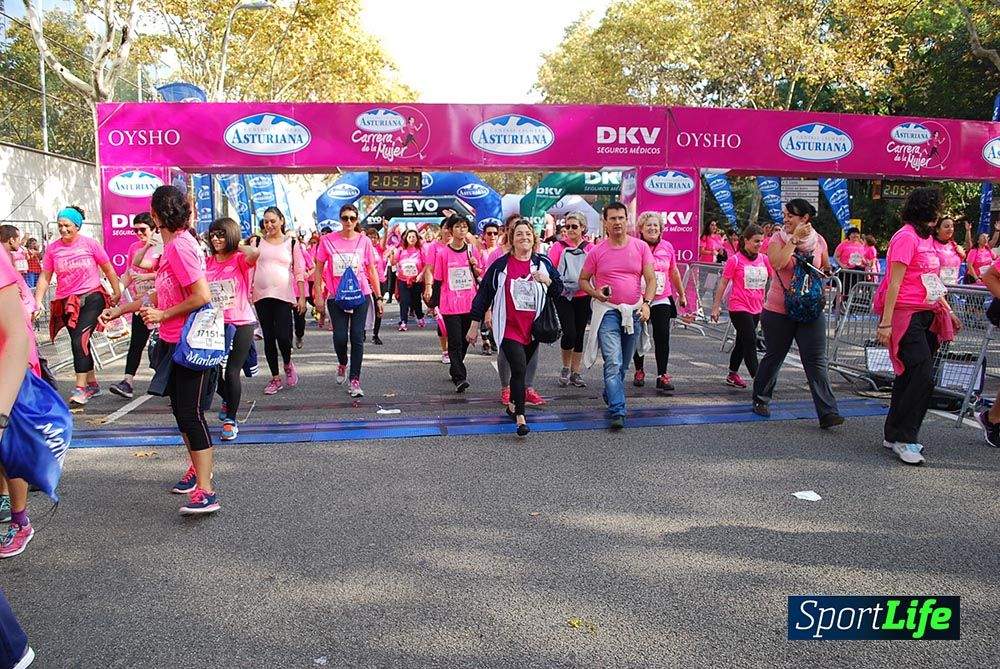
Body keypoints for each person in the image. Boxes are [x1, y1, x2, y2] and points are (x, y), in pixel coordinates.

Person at [101, 186, 219, 514]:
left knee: (191, 415)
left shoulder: (180, 246)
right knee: (182, 414)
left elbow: (201, 295)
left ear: (156, 215)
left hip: (188, 343)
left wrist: (163, 315)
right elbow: (160, 292)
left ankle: (207, 491)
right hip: (171, 341)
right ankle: (198, 470)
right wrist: (121, 310)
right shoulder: (169, 247)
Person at [876, 187, 960, 465]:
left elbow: (932, 280)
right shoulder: (905, 237)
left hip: (927, 313)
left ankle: (893, 433)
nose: (940, 214)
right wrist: (886, 323)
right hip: (906, 315)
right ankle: (905, 438)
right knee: (922, 374)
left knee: (910, 376)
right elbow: (894, 283)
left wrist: (948, 310)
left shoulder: (927, 239)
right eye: (937, 208)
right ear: (926, 209)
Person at [751, 199, 843, 428]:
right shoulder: (777, 238)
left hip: (810, 308)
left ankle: (828, 412)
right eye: (784, 215)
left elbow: (824, 269)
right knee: (775, 355)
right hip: (779, 310)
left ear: (804, 218)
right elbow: (778, 263)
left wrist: (827, 273)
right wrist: (793, 240)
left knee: (816, 361)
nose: (785, 219)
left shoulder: (819, 241)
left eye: (790, 215)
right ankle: (761, 398)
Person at [468, 219, 563, 436]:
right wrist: (474, 325)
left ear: (534, 238)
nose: (524, 238)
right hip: (509, 327)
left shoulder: (542, 264)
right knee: (519, 367)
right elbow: (483, 296)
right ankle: (520, 417)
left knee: (521, 369)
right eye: (519, 234)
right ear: (512, 239)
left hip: (533, 328)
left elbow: (559, 290)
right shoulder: (501, 266)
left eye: (528, 234)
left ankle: (512, 404)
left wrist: (547, 281)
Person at [32, 206, 122, 405]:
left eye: (67, 225)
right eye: (60, 225)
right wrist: (37, 302)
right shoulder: (54, 249)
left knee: (78, 341)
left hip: (92, 296)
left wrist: (117, 292)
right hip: (67, 301)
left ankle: (81, 389)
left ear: (77, 226)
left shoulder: (90, 244)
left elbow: (108, 268)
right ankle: (92, 384)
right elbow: (45, 277)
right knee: (81, 343)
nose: (63, 229)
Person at [579, 202, 655, 430]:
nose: (617, 222)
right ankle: (618, 410)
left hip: (633, 313)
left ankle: (610, 392)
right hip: (608, 313)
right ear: (605, 222)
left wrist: (647, 304)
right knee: (613, 361)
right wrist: (596, 293)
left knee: (623, 366)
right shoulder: (597, 251)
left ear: (627, 220)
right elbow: (583, 280)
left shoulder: (641, 247)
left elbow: (650, 280)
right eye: (612, 218)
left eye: (621, 218)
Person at [0, 234, 42, 559]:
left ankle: (20, 520)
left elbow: (16, 333)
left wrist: (2, 412)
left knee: (9, 446)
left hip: (11, 365)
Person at [314, 204, 383, 397]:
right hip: (336, 296)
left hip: (360, 294)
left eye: (352, 218)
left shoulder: (364, 241)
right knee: (340, 337)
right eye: (345, 218)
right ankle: (343, 362)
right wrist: (318, 294)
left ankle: (355, 380)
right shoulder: (327, 240)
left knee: (357, 337)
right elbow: (319, 269)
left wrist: (378, 297)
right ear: (340, 219)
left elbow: (371, 270)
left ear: (357, 219)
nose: (349, 222)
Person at [206, 218, 259, 442]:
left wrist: (235, 243)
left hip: (241, 322)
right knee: (211, 371)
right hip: (214, 323)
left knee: (231, 371)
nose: (216, 239)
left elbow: (255, 254)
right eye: (213, 235)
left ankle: (231, 420)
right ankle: (228, 399)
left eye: (221, 234)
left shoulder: (239, 259)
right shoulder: (207, 262)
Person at [250, 207, 306, 396]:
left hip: (284, 296)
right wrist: (248, 292)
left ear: (281, 220)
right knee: (268, 337)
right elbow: (249, 267)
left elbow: (299, 271)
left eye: (273, 221)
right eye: (266, 221)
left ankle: (288, 363)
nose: (269, 225)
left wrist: (301, 297)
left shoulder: (291, 243)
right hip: (261, 296)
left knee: (283, 336)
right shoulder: (256, 241)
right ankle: (275, 378)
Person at [632, 212, 686, 392]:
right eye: (649, 225)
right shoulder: (636, 246)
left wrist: (682, 294)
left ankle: (662, 375)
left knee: (662, 336)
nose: (652, 228)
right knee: (638, 334)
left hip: (662, 297)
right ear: (641, 228)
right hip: (640, 298)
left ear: (661, 228)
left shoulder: (667, 247)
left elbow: (674, 272)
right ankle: (639, 370)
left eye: (656, 225)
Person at [109, 213, 161, 399]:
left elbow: (165, 272)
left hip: (161, 303)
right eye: (135, 230)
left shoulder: (162, 246)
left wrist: (148, 276)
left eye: (142, 230)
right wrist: (118, 292)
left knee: (161, 346)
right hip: (141, 303)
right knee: (136, 344)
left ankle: (171, 384)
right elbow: (129, 273)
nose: (139, 233)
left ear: (154, 228)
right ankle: (127, 382)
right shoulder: (133, 248)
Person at [426, 215, 480, 392]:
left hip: (469, 302)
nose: (461, 230)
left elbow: (480, 274)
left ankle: (455, 367)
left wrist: (475, 266)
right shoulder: (442, 253)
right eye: (457, 227)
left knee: (465, 340)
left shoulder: (472, 250)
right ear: (450, 230)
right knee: (455, 341)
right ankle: (459, 377)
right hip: (450, 304)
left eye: (464, 227)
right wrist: (432, 303)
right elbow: (438, 279)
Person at [711, 224, 769, 389]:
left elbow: (776, 277)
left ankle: (732, 374)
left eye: (761, 241)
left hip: (757, 306)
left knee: (742, 342)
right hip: (738, 306)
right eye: (756, 241)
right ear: (746, 241)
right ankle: (759, 380)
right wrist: (716, 306)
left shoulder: (764, 259)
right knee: (750, 339)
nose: (759, 244)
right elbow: (723, 283)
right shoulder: (735, 259)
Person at [549, 211, 592, 388]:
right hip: (564, 295)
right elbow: (550, 269)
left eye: (575, 226)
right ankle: (565, 367)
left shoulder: (590, 248)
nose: (570, 230)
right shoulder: (558, 246)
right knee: (570, 332)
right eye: (567, 226)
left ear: (583, 228)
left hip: (584, 294)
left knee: (580, 333)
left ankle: (576, 371)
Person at [421, 224, 451, 364]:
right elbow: (429, 268)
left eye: (452, 227)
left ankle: (455, 349)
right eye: (446, 227)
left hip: (459, 291)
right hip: (440, 288)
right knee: (442, 320)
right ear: (441, 230)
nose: (449, 231)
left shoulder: (464, 246)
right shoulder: (434, 247)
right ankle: (445, 350)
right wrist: (428, 287)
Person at [390, 229, 425, 331]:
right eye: (409, 237)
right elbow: (393, 263)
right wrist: (392, 255)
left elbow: (426, 265)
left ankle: (419, 316)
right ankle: (403, 321)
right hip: (403, 279)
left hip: (416, 280)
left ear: (417, 238)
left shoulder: (420, 250)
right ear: (406, 238)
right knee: (404, 301)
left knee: (416, 300)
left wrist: (421, 275)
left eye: (414, 236)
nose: (412, 239)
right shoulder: (401, 250)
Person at [365, 227, 388, 345]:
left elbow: (384, 243)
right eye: (370, 237)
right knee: (364, 308)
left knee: (379, 308)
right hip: (366, 282)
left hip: (380, 282)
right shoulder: (363, 248)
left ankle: (375, 334)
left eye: (375, 237)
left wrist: (386, 229)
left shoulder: (379, 249)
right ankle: (362, 332)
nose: (372, 239)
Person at [833, 227, 868, 303]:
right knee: (844, 287)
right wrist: (842, 265)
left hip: (858, 269)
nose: (855, 236)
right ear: (849, 235)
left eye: (857, 234)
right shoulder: (843, 244)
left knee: (854, 288)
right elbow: (835, 256)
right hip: (846, 270)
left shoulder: (861, 245)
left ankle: (848, 303)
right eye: (853, 234)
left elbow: (862, 257)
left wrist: (866, 263)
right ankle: (837, 303)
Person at [293, 233, 316, 349]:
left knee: (299, 318)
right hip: (284, 291)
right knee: (284, 319)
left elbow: (312, 267)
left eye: (293, 239)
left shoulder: (302, 251)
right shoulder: (281, 253)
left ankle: (299, 335)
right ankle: (286, 343)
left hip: (300, 290)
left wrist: (307, 274)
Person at [933, 216, 965, 286]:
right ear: (937, 229)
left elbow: (957, 263)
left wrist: (963, 256)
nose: (950, 229)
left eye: (952, 226)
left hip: (953, 287)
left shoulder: (953, 245)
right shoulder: (930, 245)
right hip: (937, 288)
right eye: (947, 226)